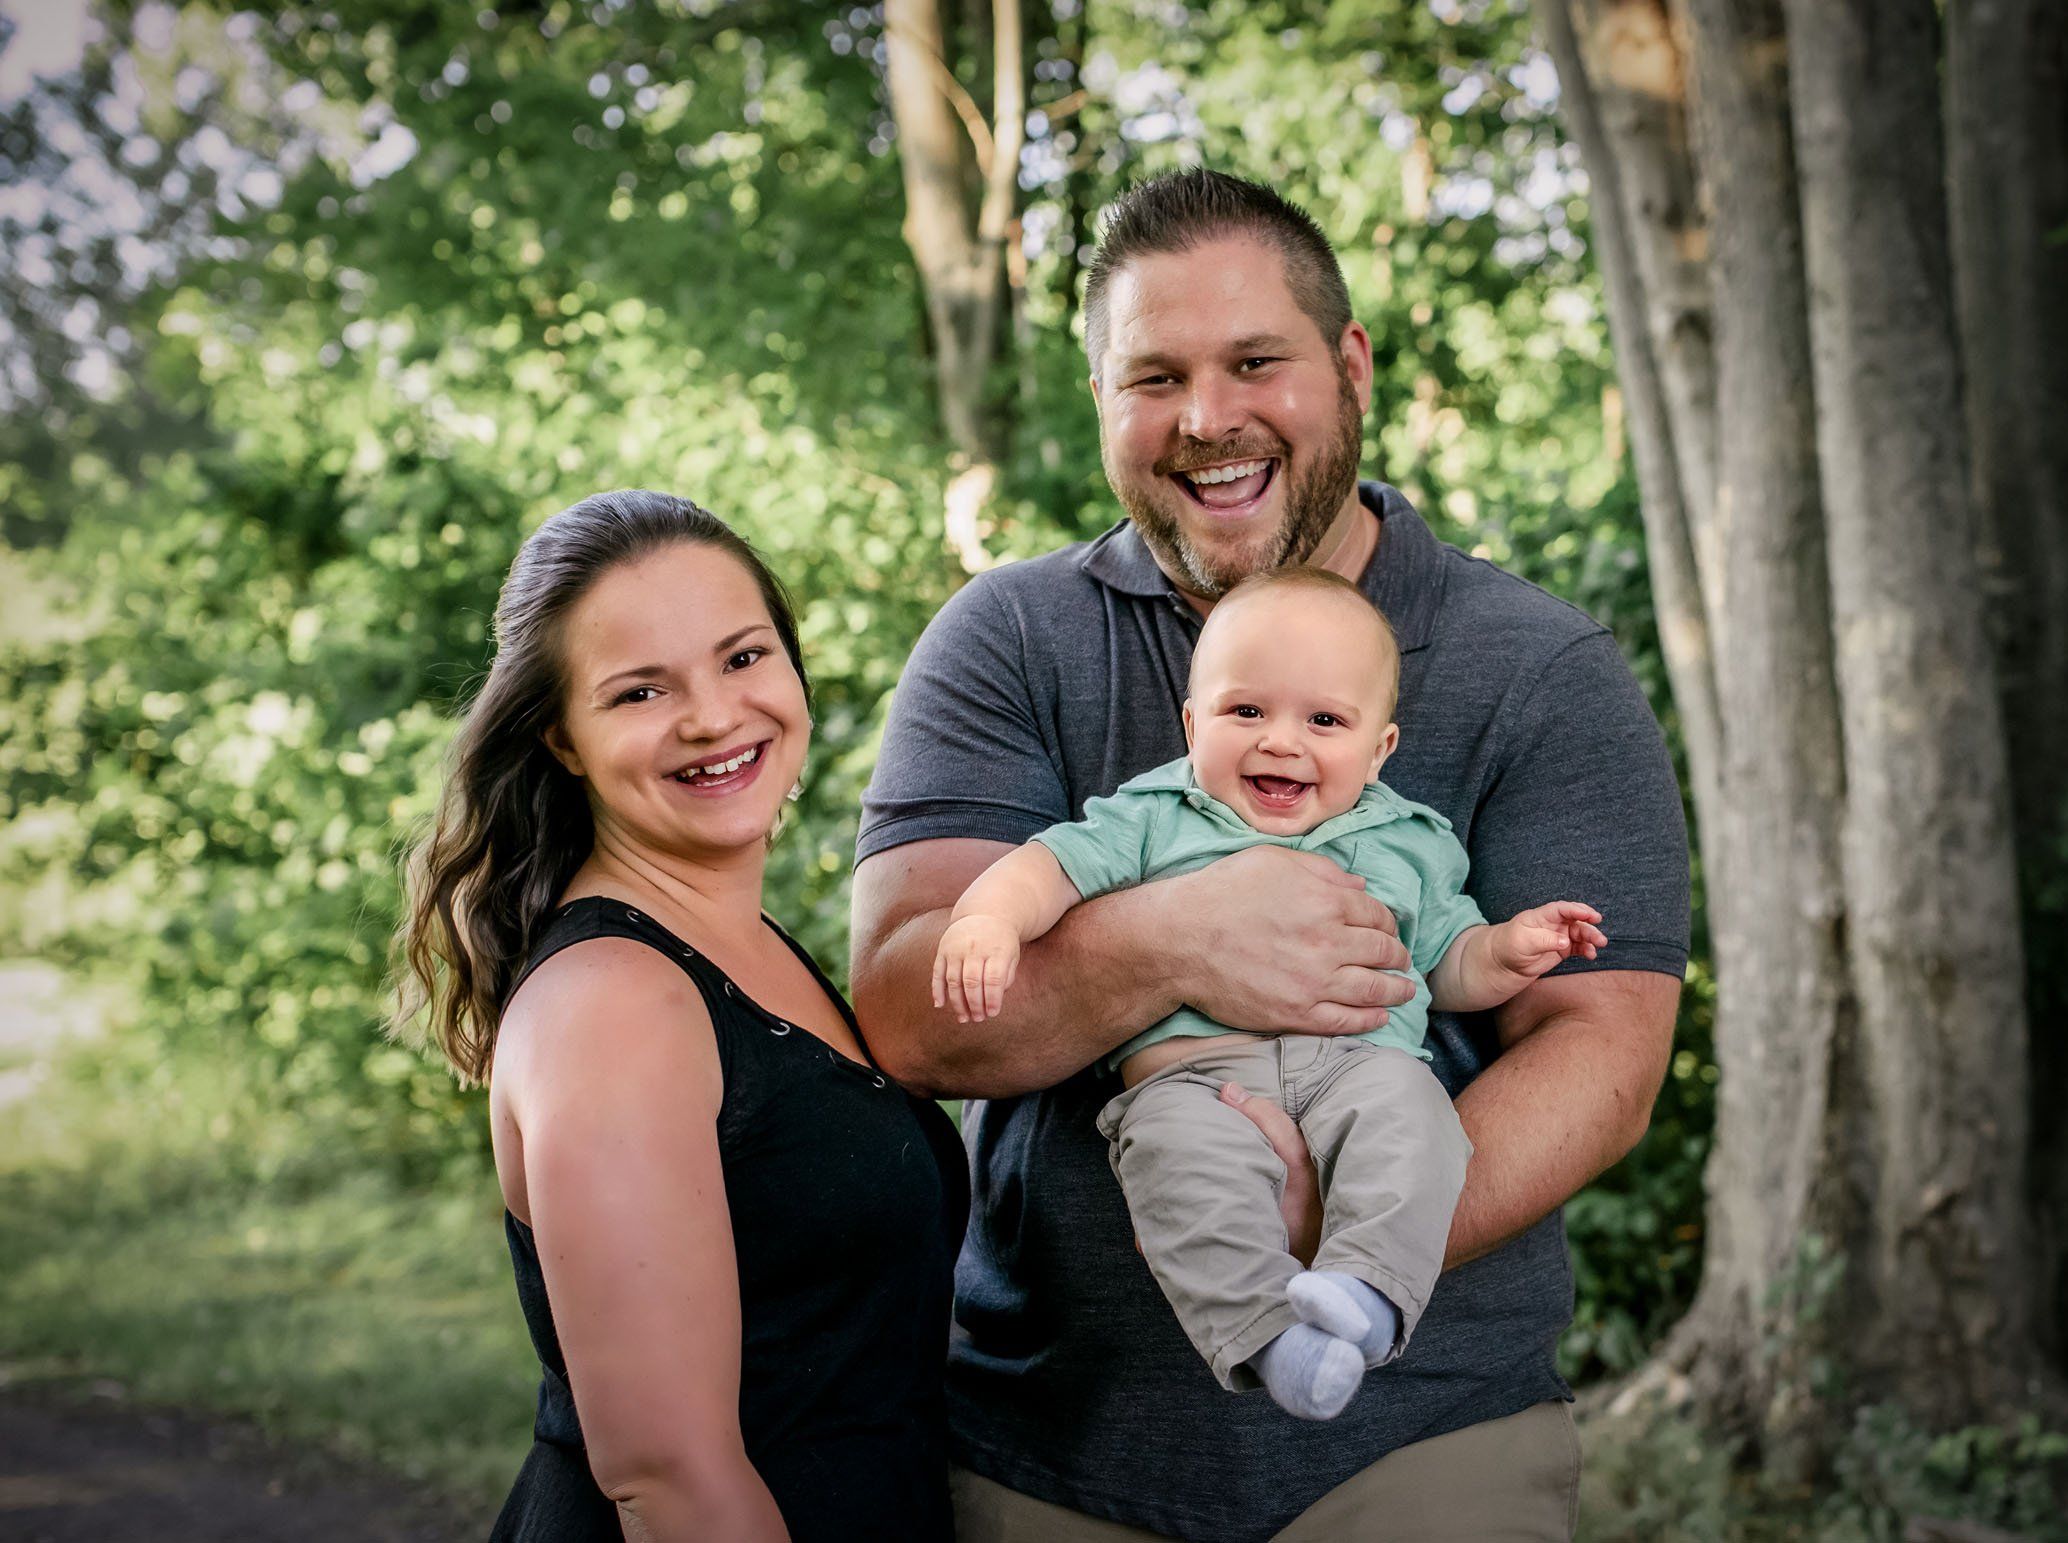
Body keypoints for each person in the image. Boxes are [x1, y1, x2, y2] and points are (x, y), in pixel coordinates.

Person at [851, 169, 1691, 1540]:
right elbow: (912, 1014)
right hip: (1052, 1451)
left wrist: (1327, 1218)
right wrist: (1175, 937)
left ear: (1348, 365)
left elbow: (1602, 1058)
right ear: (1102, 396)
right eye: (1153, 376)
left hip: (1423, 1443)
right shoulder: (1008, 639)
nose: (1206, 420)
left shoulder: (1538, 667)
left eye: (1255, 362)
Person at [390, 490, 970, 1541]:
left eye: (743, 657)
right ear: (562, 738)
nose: (712, 714)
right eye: (639, 690)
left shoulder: (741, 949)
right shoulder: (616, 1002)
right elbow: (671, 1478)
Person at [931, 567, 1608, 1424]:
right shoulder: (1156, 815)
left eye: (1324, 720)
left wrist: (1507, 950)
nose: (1281, 742)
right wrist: (988, 918)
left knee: (1419, 1117)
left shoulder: (1407, 842)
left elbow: (1444, 962)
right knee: (1181, 1171)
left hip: (1360, 1066)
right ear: (1191, 722)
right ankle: (1273, 1342)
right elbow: (1051, 864)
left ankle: (1365, 1291)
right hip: (1196, 1080)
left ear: (1380, 749)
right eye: (1245, 711)